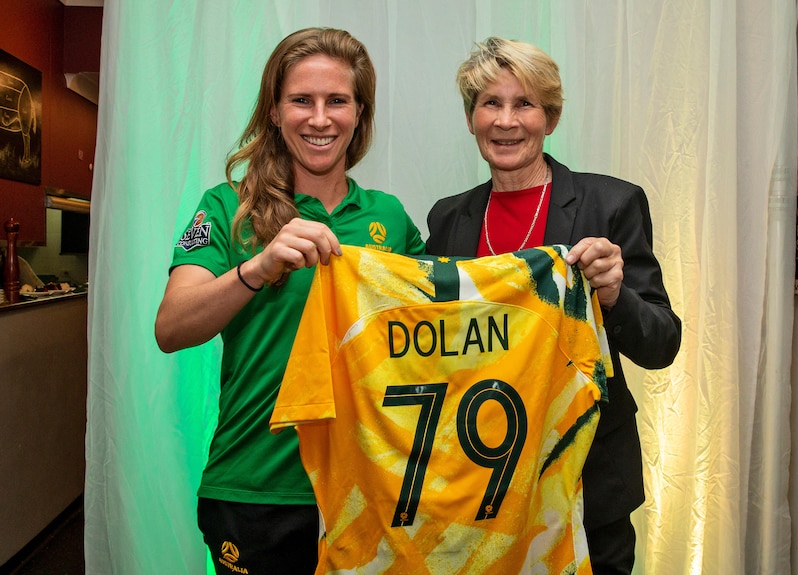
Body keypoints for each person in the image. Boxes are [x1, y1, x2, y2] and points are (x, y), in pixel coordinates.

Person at [155, 28, 425, 575]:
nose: (320, 119)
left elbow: (440, 327)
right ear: (275, 112)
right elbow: (172, 328)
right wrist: (257, 267)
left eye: (337, 101)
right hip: (257, 490)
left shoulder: (390, 217)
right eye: (301, 100)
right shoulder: (228, 207)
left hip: (371, 491)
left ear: (359, 113)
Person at [426, 37, 681, 575]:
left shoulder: (610, 203)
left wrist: (614, 295)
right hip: (482, 485)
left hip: (589, 484)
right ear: (471, 118)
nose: (506, 121)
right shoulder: (448, 219)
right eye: (490, 103)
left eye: (525, 104)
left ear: (551, 117)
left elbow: (662, 342)